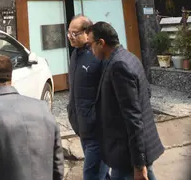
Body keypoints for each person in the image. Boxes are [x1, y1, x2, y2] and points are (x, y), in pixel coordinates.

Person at [87, 22, 164, 180]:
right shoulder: (128, 57)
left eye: (91, 45)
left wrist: (138, 165)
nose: (90, 50)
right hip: (128, 153)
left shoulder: (119, 66)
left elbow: (133, 118)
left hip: (128, 156)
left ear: (101, 43)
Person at [67, 15, 110, 180]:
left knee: (91, 175)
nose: (71, 37)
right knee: (102, 174)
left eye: (75, 33)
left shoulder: (98, 55)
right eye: (69, 32)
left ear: (88, 33)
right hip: (83, 128)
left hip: (98, 131)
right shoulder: (75, 55)